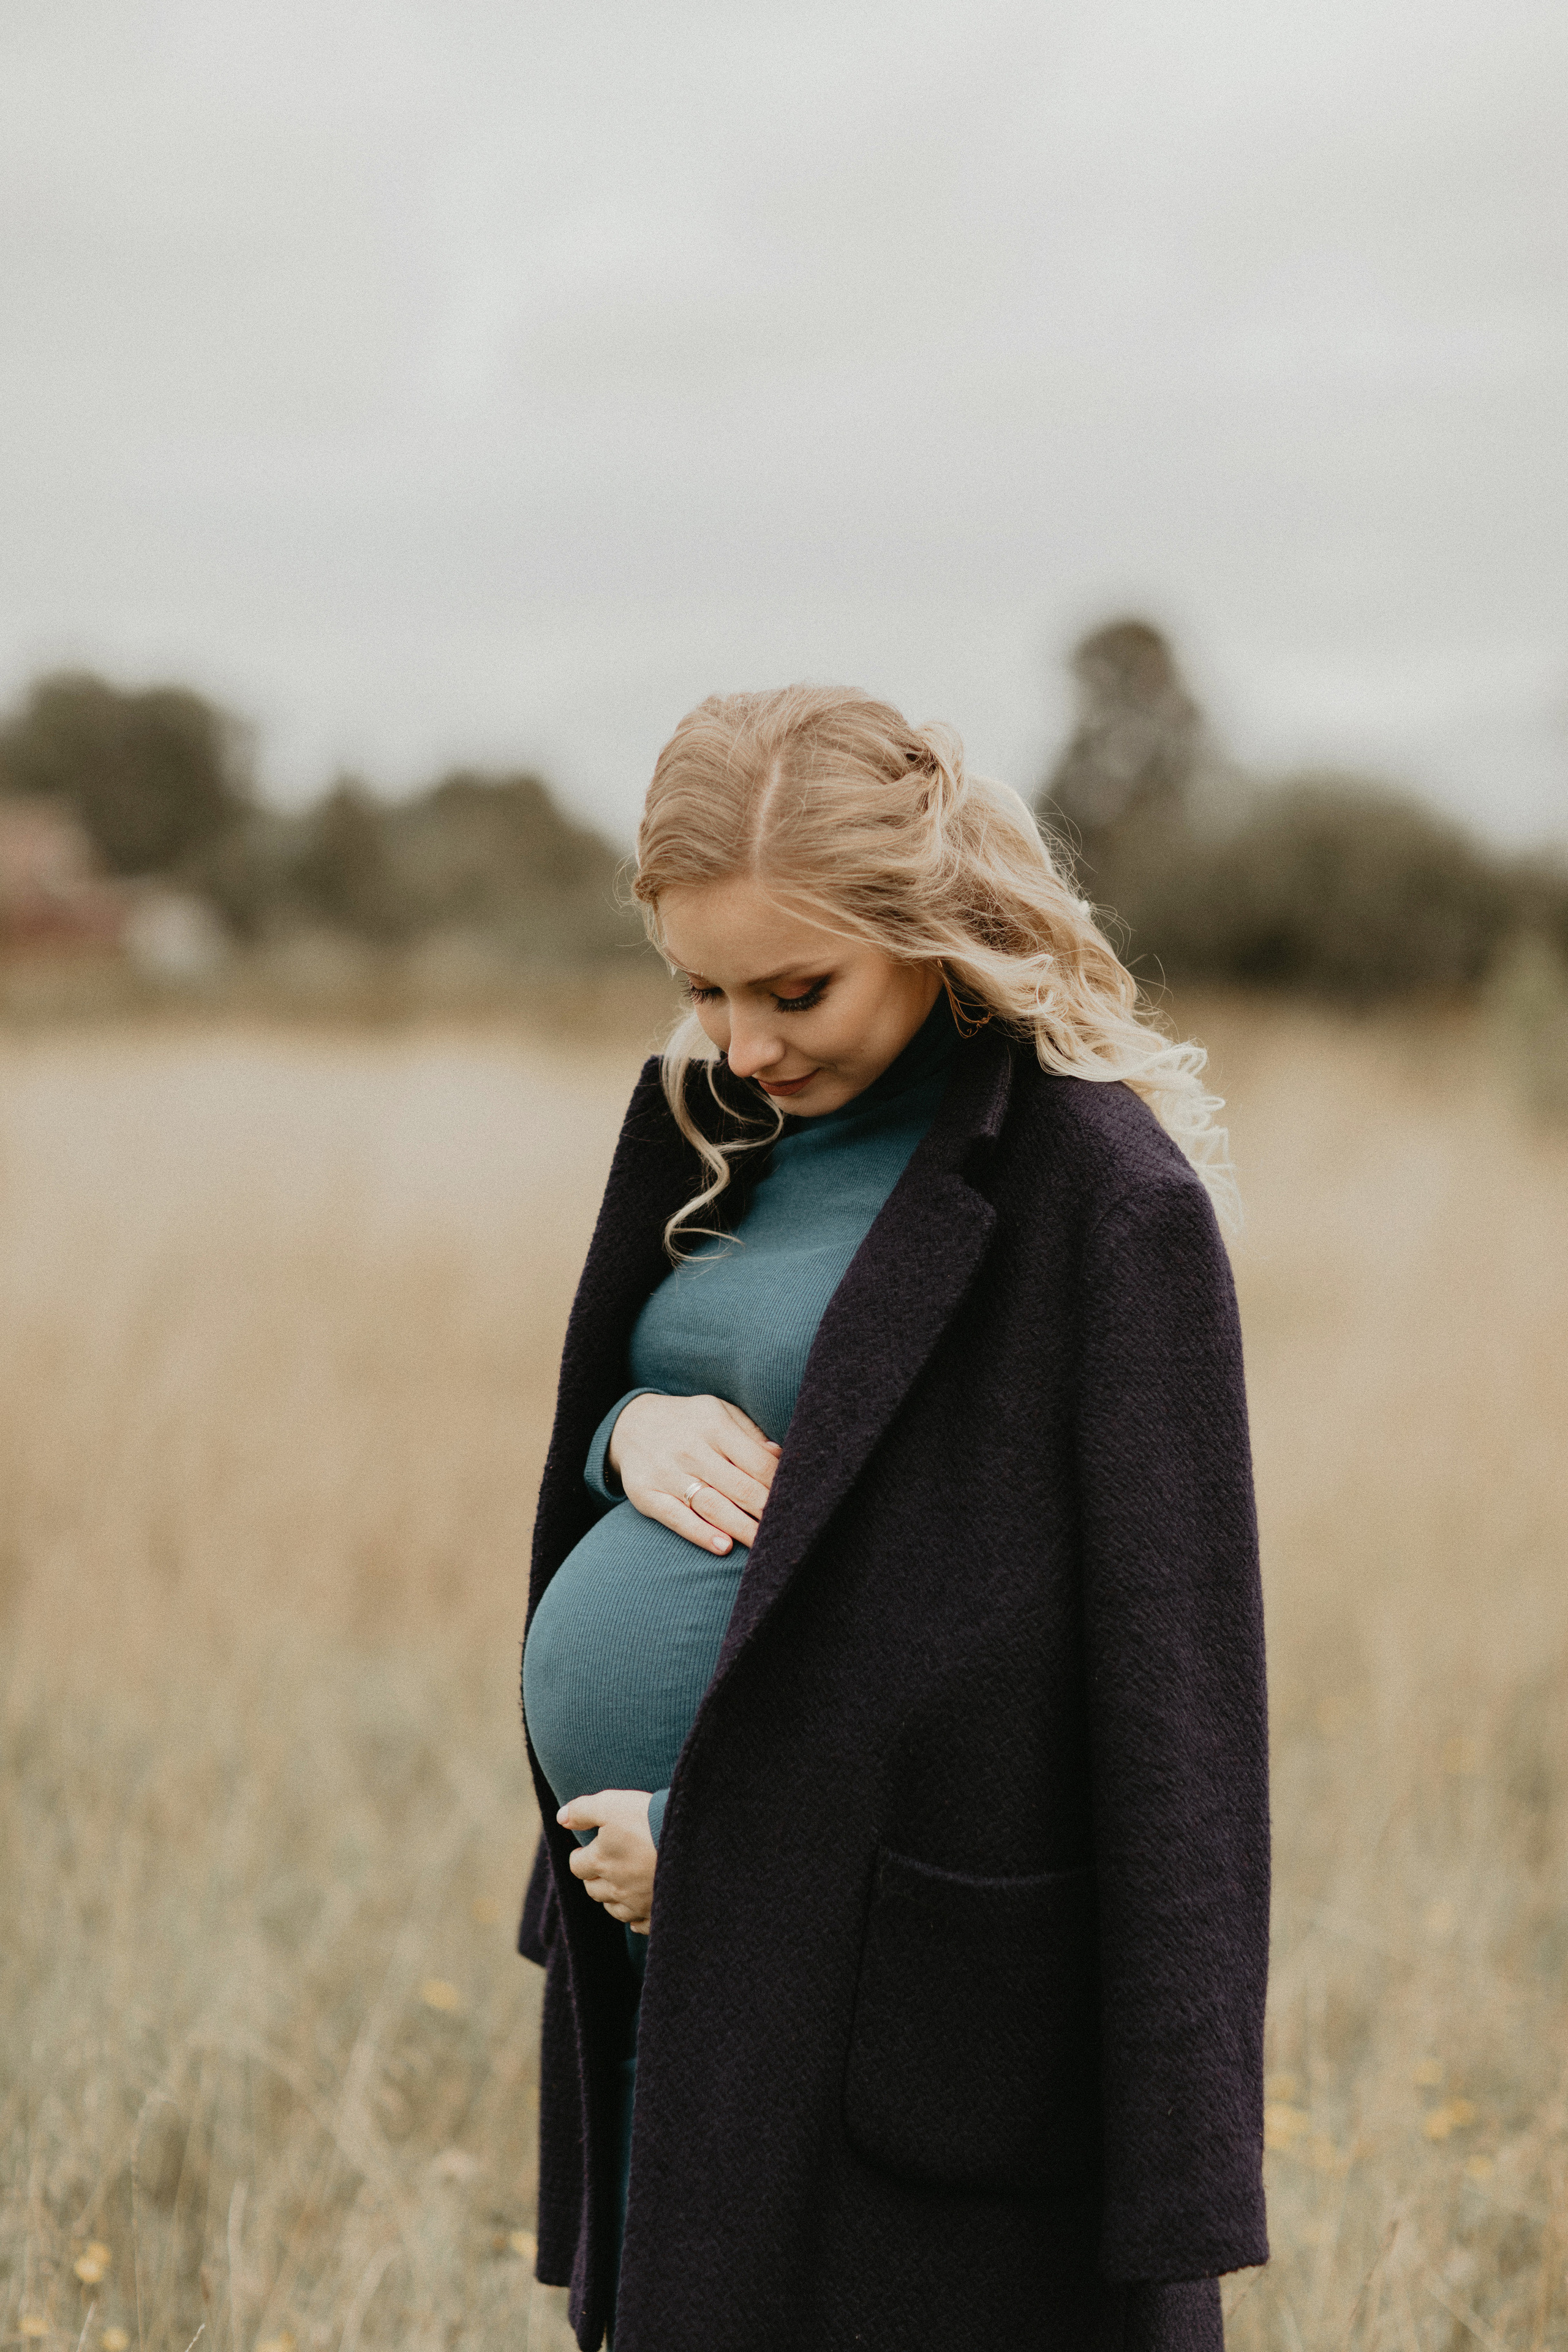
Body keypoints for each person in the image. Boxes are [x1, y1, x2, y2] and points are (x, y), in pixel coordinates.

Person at [517, 685, 1269, 2352]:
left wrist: (719, 1860)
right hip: (663, 1959)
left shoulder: (1102, 1202)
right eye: (701, 988)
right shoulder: (709, 1135)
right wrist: (627, 1433)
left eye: (799, 989)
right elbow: (655, 1415)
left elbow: (1173, 1706)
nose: (747, 1040)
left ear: (931, 930)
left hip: (908, 2023)